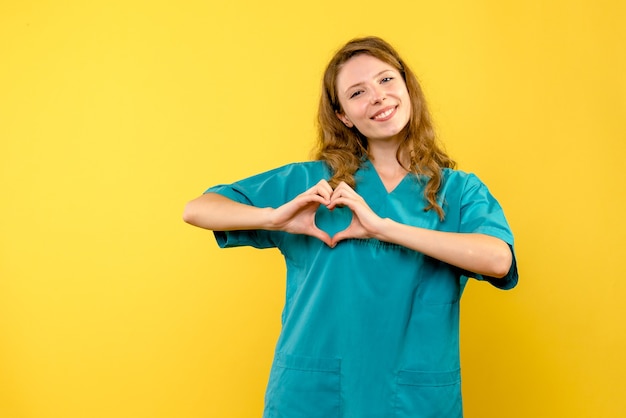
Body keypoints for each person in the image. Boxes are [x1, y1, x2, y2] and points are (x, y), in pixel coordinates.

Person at [183, 36, 518, 418]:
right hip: (313, 396)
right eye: (358, 92)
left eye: (386, 80)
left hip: (414, 399)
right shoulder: (315, 185)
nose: (377, 96)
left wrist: (384, 228)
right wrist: (272, 217)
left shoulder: (457, 190)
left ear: (407, 86)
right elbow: (198, 209)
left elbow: (498, 260)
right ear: (343, 114)